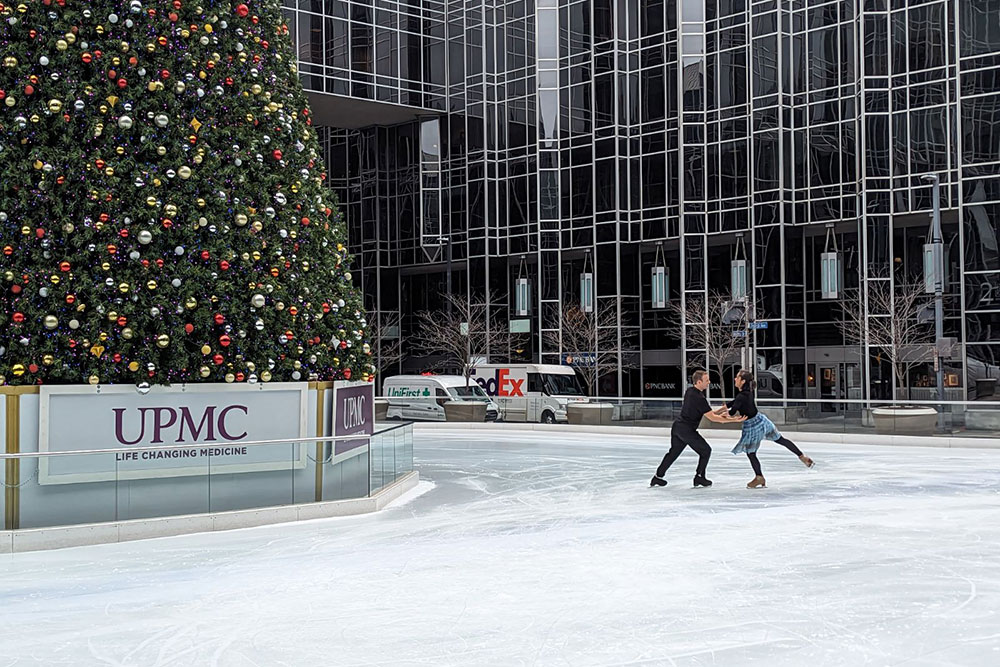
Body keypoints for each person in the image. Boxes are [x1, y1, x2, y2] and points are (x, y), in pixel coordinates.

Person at [719, 369, 815, 488]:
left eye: (737, 377)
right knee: (780, 439)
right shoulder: (748, 392)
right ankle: (802, 457)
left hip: (752, 426)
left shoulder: (742, 396)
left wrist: (719, 416)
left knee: (751, 453)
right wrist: (720, 410)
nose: (735, 379)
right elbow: (733, 403)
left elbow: (732, 412)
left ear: (742, 381)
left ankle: (759, 477)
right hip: (762, 421)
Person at [650, 369, 745, 488]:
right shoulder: (699, 398)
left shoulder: (690, 392)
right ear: (699, 382)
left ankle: (657, 477)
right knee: (705, 451)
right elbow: (712, 418)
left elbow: (709, 413)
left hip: (678, 427)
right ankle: (699, 477)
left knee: (673, 453)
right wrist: (734, 420)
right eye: (706, 380)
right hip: (687, 430)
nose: (709, 382)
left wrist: (721, 413)